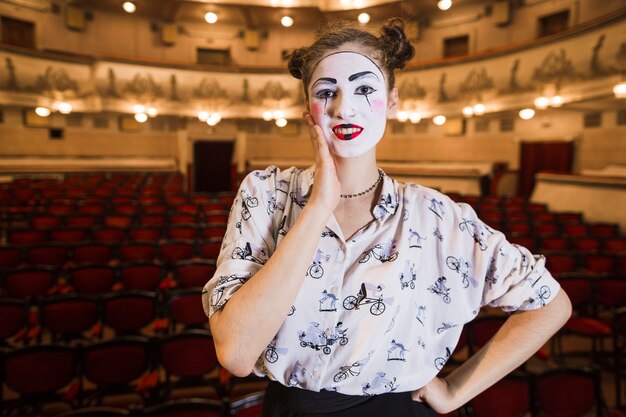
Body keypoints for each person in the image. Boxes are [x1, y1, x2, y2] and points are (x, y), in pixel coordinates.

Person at [202, 18, 572, 417]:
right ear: (306, 107)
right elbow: (237, 354)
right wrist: (318, 206)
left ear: (393, 100)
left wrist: (453, 392)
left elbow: (549, 304)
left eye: (364, 88)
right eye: (327, 92)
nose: (344, 108)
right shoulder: (265, 194)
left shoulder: (436, 217)